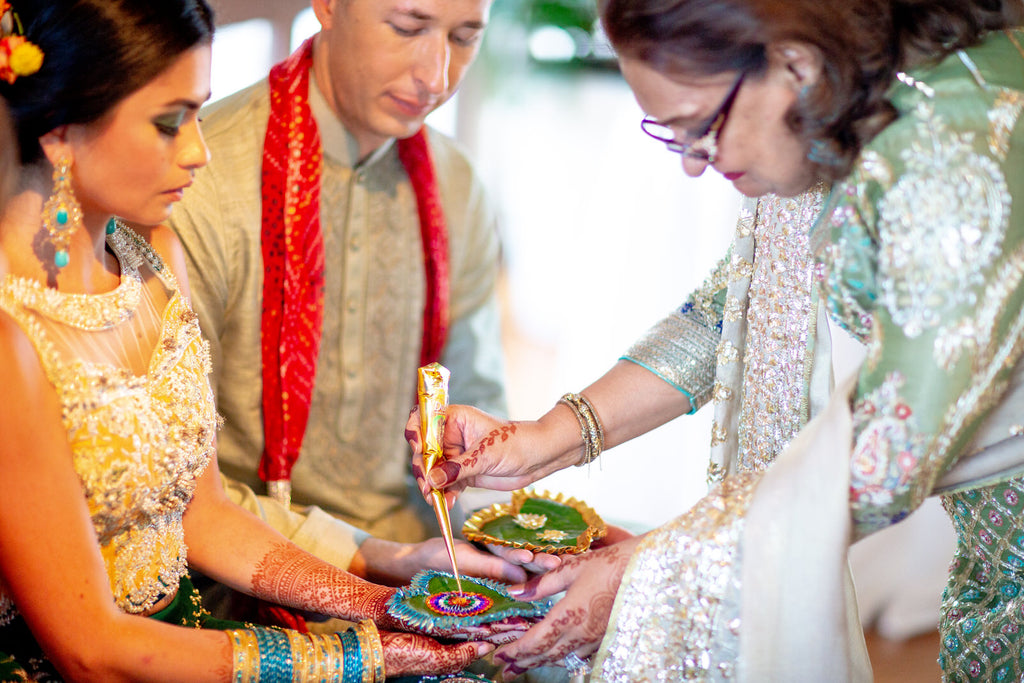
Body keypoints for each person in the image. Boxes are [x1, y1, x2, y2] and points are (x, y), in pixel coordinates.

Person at [409, 0, 1024, 679]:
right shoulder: (863, 102)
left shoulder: (952, 158)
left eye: (700, 128)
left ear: (794, 61)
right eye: (672, 136)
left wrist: (650, 570)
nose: (694, 165)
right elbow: (732, 309)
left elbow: (884, 457)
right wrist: (543, 439)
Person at [0, 1, 514, 680]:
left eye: (197, 112)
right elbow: (91, 647)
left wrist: (382, 605)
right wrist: (359, 655)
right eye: (169, 122)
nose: (199, 150)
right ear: (60, 131)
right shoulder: (13, 334)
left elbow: (203, 514)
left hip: (190, 619)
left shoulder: (150, 255)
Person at [166, 0, 512, 570]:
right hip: (241, 569)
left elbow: (475, 413)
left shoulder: (456, 183)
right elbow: (177, 487)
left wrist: (510, 539)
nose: (436, 76)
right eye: (407, 28)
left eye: (465, 38)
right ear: (327, 6)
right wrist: (373, 559)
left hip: (423, 553)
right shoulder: (199, 179)